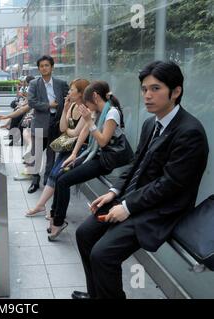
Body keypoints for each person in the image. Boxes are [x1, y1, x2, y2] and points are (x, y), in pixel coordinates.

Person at [73, 61, 209, 299]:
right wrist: (115, 192)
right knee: (84, 234)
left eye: (155, 89)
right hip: (133, 198)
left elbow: (170, 184)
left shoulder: (190, 132)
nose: (147, 95)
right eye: (144, 89)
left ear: (176, 92)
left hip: (160, 208)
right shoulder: (151, 123)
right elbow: (137, 164)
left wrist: (126, 206)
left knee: (103, 254)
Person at [48, 81, 128, 241]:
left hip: (104, 160)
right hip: (93, 155)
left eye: (87, 103)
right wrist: (74, 154)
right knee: (59, 175)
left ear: (95, 97)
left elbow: (103, 141)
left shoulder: (112, 113)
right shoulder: (98, 111)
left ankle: (58, 222)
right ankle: (53, 215)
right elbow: (85, 131)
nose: (86, 106)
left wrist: (89, 121)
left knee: (64, 181)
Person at [25, 78, 90, 217]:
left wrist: (68, 131)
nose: (69, 92)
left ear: (80, 93)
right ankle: (41, 206)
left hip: (80, 149)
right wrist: (66, 110)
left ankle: (53, 209)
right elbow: (62, 128)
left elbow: (77, 133)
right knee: (54, 174)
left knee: (59, 177)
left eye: (72, 90)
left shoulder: (86, 110)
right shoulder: (71, 106)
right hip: (67, 146)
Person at [27, 55, 69, 193]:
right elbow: (31, 102)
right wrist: (48, 105)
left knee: (51, 153)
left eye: (46, 65)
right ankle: (35, 180)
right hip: (40, 122)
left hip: (55, 122)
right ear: (39, 68)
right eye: (41, 66)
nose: (44, 68)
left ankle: (48, 180)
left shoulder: (61, 83)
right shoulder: (34, 84)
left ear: (52, 67)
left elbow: (68, 98)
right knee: (36, 153)